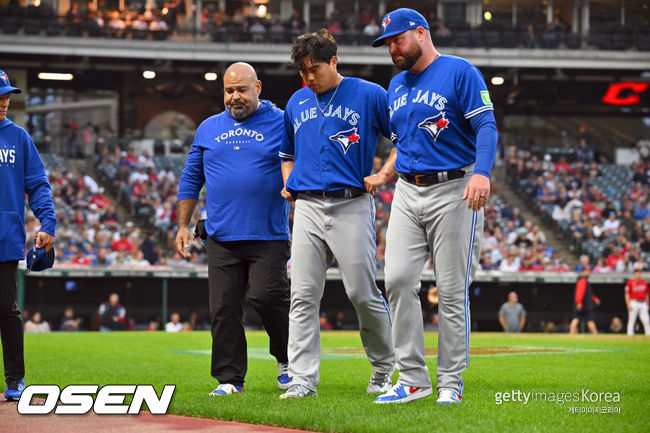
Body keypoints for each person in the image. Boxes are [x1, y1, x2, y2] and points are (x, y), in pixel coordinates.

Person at [367, 9, 498, 405]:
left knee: (452, 291)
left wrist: (483, 172)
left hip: (454, 187)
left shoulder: (460, 71)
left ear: (421, 34)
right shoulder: (395, 86)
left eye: (397, 40)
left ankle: (450, 381)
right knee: (398, 280)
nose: (392, 48)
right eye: (387, 43)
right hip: (407, 191)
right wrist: (387, 172)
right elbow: (400, 141)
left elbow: (486, 126)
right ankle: (412, 380)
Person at [278, 29, 395, 399]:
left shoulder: (369, 94)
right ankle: (302, 380)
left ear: (333, 61)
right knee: (302, 294)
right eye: (302, 70)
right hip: (308, 207)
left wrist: (382, 174)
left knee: (362, 292)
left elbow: (403, 139)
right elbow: (287, 155)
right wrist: (288, 182)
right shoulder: (296, 101)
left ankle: (383, 368)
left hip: (352, 203)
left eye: (314, 68)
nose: (308, 77)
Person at [176, 62, 291, 397]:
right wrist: (183, 225)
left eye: (241, 90)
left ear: (258, 87)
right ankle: (230, 380)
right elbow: (190, 179)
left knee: (267, 297)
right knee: (224, 309)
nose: (234, 97)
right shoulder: (208, 128)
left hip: (268, 234)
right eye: (229, 91)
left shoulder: (282, 121)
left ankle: (286, 358)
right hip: (223, 237)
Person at [0, 70, 56, 401]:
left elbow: (37, 184)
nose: (4, 101)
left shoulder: (19, 137)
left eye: (6, 95)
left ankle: (14, 381)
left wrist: (47, 223)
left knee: (7, 310)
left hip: (5, 240)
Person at [569, 267, 600, 334]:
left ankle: (571, 334)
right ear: (583, 272)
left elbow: (587, 294)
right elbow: (580, 292)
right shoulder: (583, 280)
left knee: (578, 319)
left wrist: (594, 299)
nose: (589, 273)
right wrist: (579, 302)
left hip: (584, 304)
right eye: (587, 271)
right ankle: (596, 335)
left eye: (589, 271)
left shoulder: (583, 280)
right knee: (581, 320)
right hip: (584, 305)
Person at [624, 269, 650, 335]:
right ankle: (630, 335)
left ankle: (648, 334)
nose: (638, 275)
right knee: (632, 320)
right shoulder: (630, 282)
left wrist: (648, 304)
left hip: (643, 302)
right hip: (633, 302)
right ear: (634, 274)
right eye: (637, 273)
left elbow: (647, 294)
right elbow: (627, 294)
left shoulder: (644, 282)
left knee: (646, 320)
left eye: (639, 273)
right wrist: (628, 304)